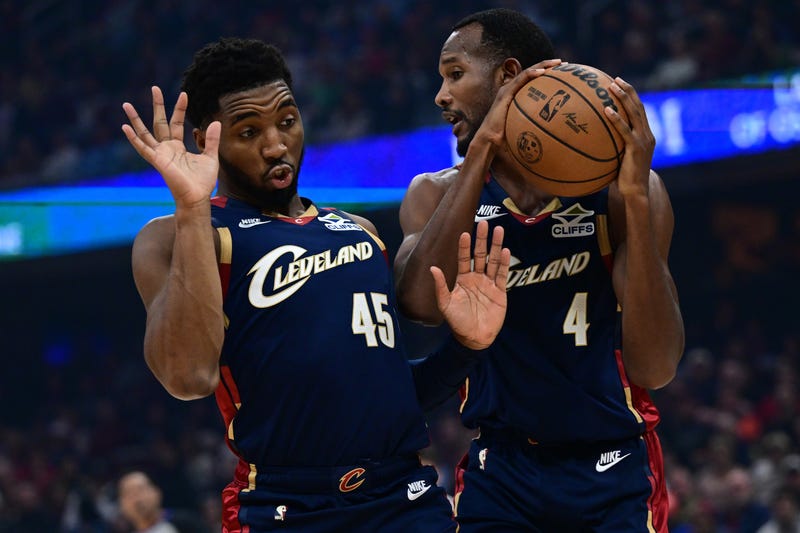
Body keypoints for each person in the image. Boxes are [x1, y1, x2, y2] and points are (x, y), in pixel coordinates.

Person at [121, 37, 511, 533]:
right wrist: (192, 207)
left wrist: (465, 347)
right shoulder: (173, 237)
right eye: (248, 131)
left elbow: (395, 396)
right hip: (286, 507)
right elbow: (187, 376)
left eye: (287, 121)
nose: (276, 145)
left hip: (402, 497)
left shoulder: (361, 234)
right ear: (206, 142)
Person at [393, 8, 685, 532]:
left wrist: (636, 200)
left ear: (507, 76)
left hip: (614, 467)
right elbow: (417, 304)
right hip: (500, 470)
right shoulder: (434, 194)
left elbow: (657, 366)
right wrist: (484, 148)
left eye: (455, 74)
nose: (441, 95)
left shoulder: (620, 195)